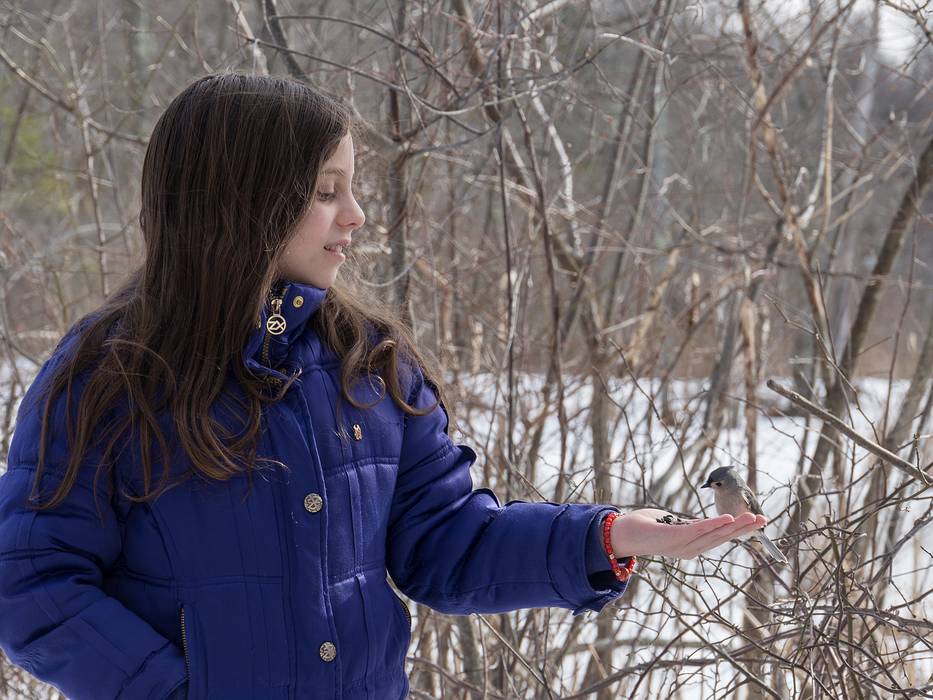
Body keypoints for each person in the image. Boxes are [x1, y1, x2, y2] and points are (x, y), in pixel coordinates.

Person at [0, 72, 767, 700]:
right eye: (327, 190)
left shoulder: (367, 363)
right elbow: (32, 584)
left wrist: (604, 536)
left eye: (353, 188)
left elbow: (446, 544)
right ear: (242, 200)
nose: (356, 215)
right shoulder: (109, 374)